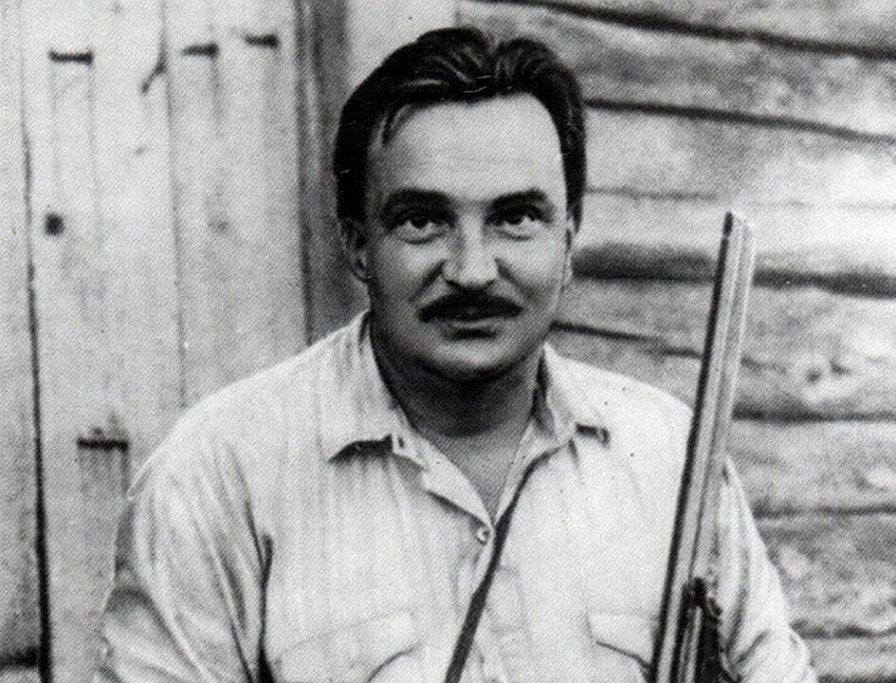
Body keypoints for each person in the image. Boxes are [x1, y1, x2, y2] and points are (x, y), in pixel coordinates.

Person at [96, 27, 816, 683]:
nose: (472, 269)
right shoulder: (216, 480)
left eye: (515, 217)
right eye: (422, 220)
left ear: (568, 240)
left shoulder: (671, 457)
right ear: (357, 243)